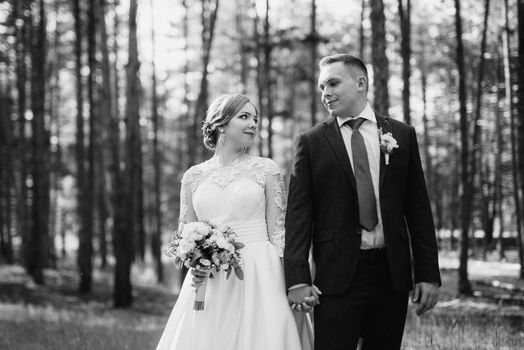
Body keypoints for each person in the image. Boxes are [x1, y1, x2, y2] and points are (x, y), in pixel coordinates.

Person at [284, 54, 441, 350]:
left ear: (360, 83)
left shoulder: (401, 135)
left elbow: (418, 209)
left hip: (391, 276)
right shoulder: (312, 142)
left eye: (333, 83)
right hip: (335, 278)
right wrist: (297, 279)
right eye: (321, 87)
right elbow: (298, 216)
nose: (325, 93)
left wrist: (428, 273)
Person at [156, 94, 313, 350]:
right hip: (211, 277)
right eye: (244, 117)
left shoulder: (266, 170)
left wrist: (291, 281)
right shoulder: (193, 176)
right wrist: (195, 260)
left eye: (255, 118)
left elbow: (279, 233)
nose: (253, 123)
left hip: (261, 271)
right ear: (221, 123)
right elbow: (185, 232)